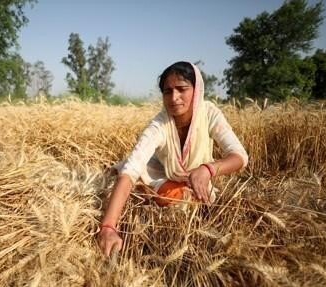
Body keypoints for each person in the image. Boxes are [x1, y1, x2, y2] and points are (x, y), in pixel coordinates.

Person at [98, 61, 248, 256]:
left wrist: (207, 169)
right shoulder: (160, 124)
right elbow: (131, 171)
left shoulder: (209, 113)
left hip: (199, 177)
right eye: (167, 91)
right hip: (159, 171)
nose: (174, 97)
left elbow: (240, 156)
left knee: (204, 202)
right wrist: (108, 227)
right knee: (147, 182)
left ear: (197, 90)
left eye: (182, 89)